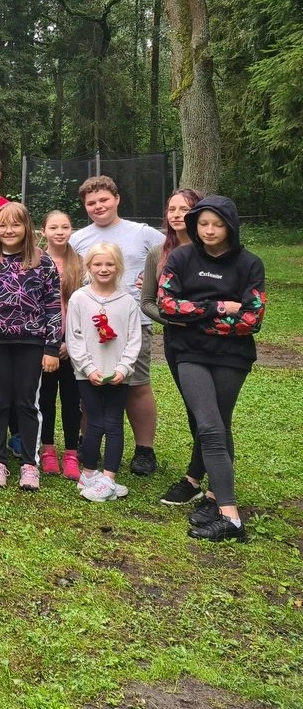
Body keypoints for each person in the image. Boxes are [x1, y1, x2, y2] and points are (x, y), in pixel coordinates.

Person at [158, 196, 265, 543]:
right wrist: (218, 307)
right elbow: (167, 306)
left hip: (233, 358)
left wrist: (196, 317)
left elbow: (252, 318)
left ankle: (219, 502)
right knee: (207, 424)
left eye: (216, 224)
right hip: (189, 354)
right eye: (203, 223)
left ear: (230, 227)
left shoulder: (250, 264)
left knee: (220, 424)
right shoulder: (181, 257)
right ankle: (230, 515)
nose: (209, 230)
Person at [0, 203, 61, 491]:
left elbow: (53, 306)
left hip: (32, 342)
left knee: (27, 402)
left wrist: (52, 347)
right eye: (3, 225)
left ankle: (30, 464)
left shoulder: (43, 263)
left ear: (27, 227)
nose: (9, 230)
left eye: (15, 225)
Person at [69, 175, 163, 476]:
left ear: (117, 199)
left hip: (134, 321)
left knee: (136, 386)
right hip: (89, 325)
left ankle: (144, 450)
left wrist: (156, 282)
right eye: (91, 203)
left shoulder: (142, 233)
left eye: (103, 200)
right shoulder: (79, 238)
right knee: (90, 386)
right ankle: (88, 444)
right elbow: (67, 271)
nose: (98, 206)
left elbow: (173, 255)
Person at [140, 189, 207, 505]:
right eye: (172, 209)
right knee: (195, 410)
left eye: (185, 208)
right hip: (177, 341)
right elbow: (148, 302)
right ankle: (198, 476)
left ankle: (198, 476)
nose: (177, 214)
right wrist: (174, 320)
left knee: (209, 412)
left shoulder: (213, 251)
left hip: (215, 342)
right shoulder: (158, 253)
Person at [66, 242, 142, 503]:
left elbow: (134, 339)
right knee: (94, 422)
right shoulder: (79, 298)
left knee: (115, 424)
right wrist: (87, 368)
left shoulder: (128, 302)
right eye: (98, 264)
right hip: (88, 373)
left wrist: (123, 368)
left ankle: (108, 477)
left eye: (109, 264)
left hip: (119, 374)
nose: (104, 269)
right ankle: (88, 473)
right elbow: (74, 337)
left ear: (119, 267)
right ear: (89, 267)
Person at [39, 210, 85, 480]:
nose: (59, 232)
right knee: (45, 398)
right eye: (53, 227)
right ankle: (47, 449)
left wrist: (70, 343)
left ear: (71, 230)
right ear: (43, 230)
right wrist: (49, 344)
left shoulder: (80, 263)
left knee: (71, 400)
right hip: (43, 346)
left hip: (73, 345)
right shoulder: (34, 261)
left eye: (65, 227)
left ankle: (70, 452)